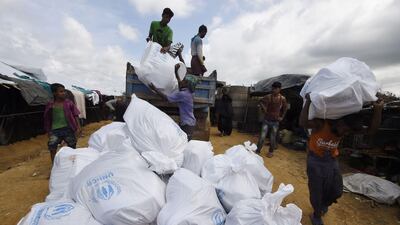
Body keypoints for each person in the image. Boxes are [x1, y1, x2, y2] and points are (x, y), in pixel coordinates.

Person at [299, 93, 384, 225]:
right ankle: (316, 215)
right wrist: (309, 101)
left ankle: (324, 204)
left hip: (332, 161)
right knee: (317, 191)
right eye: (344, 129)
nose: (345, 133)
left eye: (348, 132)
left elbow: (371, 131)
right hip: (315, 161)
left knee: (337, 191)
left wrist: (378, 110)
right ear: (340, 121)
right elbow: (303, 122)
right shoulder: (321, 124)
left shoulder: (347, 127)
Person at [149, 64, 198, 140]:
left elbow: (167, 98)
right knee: (182, 143)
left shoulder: (183, 95)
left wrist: (155, 89)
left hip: (187, 124)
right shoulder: (189, 93)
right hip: (189, 123)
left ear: (187, 85)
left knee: (183, 143)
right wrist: (176, 72)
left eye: (184, 81)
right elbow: (180, 83)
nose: (181, 81)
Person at [44, 83, 81, 163]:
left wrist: (78, 127)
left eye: (64, 91)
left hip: (68, 129)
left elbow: (76, 114)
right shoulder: (50, 105)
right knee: (52, 147)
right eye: (61, 91)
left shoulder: (69, 103)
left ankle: (73, 163)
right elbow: (47, 119)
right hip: (55, 130)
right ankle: (54, 166)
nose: (64, 93)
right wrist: (48, 131)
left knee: (72, 146)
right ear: (54, 93)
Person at [256, 81, 288, 157]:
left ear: (280, 89)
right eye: (273, 88)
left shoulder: (282, 98)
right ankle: (258, 150)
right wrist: (264, 109)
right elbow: (260, 101)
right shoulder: (268, 97)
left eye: (276, 88)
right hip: (266, 120)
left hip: (275, 121)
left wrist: (282, 117)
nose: (274, 90)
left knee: (272, 138)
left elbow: (285, 108)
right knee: (262, 137)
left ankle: (271, 152)